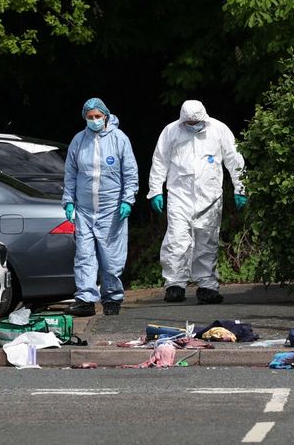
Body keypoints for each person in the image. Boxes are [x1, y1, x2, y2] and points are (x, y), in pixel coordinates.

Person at [148, 99, 247, 305]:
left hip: (209, 195)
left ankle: (207, 286)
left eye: (196, 122)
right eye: (189, 123)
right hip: (179, 194)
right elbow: (160, 161)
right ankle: (175, 284)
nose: (193, 126)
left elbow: (234, 159)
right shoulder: (171, 131)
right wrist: (155, 190)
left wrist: (241, 187)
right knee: (176, 240)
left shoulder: (219, 130)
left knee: (207, 240)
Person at [62, 97, 138, 317]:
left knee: (111, 256)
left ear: (106, 116)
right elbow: (71, 173)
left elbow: (130, 173)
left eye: (97, 116)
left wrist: (127, 200)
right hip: (85, 210)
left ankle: (112, 297)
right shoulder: (79, 141)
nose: (94, 120)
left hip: (111, 209)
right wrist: (68, 201)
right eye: (90, 117)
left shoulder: (119, 139)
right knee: (84, 255)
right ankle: (85, 299)